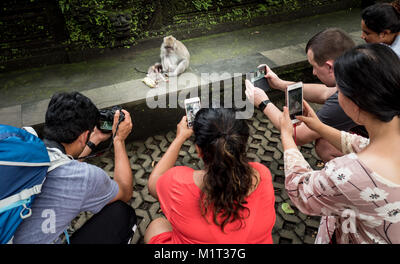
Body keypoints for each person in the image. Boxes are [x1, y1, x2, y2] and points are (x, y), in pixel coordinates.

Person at [280, 43, 400, 244]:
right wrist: (319, 127)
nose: (336, 95)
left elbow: (301, 191)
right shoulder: (387, 138)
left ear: (354, 103)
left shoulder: (348, 174)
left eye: (339, 90)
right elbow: (362, 144)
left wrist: (286, 136)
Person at [13, 92, 136, 244]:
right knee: (121, 212)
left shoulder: (23, 149)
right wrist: (119, 140)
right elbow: (125, 192)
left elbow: (62, 165)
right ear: (84, 136)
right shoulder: (85, 178)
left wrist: (94, 139)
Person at [144, 108, 276, 244]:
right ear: (242, 144)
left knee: (157, 225)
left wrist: (180, 137)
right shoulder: (262, 175)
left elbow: (154, 183)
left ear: (198, 150)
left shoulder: (178, 184)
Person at [245, 27, 364, 162]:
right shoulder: (358, 69)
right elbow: (325, 93)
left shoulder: (346, 98)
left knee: (325, 145)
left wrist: (263, 103)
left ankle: (354, 177)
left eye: (314, 66)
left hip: (382, 150)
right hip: (382, 134)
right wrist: (280, 84)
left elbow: (297, 135)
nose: (313, 72)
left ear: (329, 67)